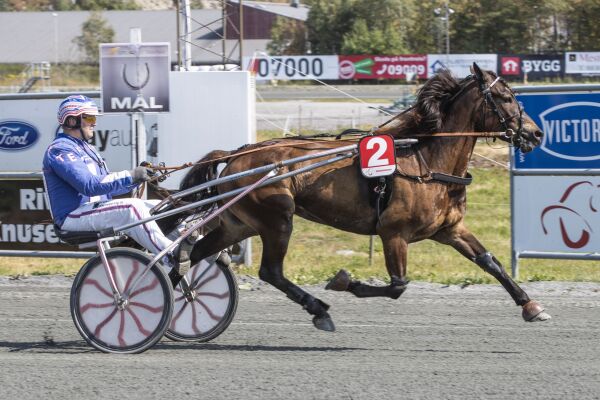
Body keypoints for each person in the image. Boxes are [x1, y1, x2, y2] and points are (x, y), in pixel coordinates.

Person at [42, 95, 194, 276]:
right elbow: (89, 186)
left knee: (164, 207)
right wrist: (130, 175)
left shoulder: (87, 149)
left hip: (93, 211)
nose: (94, 123)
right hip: (72, 217)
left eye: (94, 118)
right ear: (72, 120)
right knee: (131, 207)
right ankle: (170, 255)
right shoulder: (59, 149)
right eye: (89, 118)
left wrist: (137, 178)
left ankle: (198, 247)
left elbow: (108, 186)